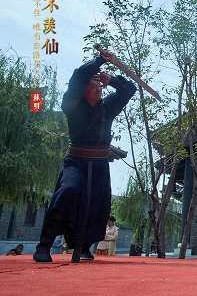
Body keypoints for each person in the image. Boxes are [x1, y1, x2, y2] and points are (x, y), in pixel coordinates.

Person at [33, 50, 137, 263]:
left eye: (100, 84)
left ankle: (83, 246)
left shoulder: (107, 108)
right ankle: (44, 245)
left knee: (98, 204)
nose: (98, 87)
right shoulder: (72, 106)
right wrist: (99, 61)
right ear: (83, 89)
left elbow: (130, 89)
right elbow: (78, 77)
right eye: (94, 83)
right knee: (68, 192)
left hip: (100, 163)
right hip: (77, 161)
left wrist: (112, 80)